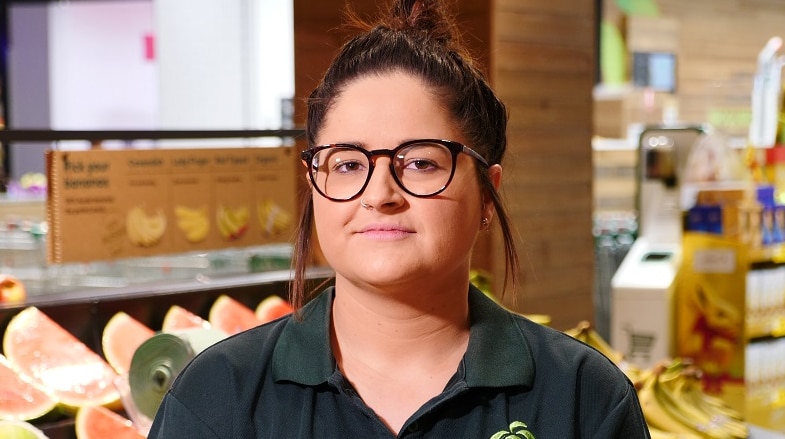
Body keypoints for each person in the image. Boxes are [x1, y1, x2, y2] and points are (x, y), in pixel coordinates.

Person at [147, 0, 651, 437]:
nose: (380, 193)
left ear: (486, 195)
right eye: (347, 163)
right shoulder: (217, 397)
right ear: (314, 185)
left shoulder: (585, 400)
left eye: (421, 162)